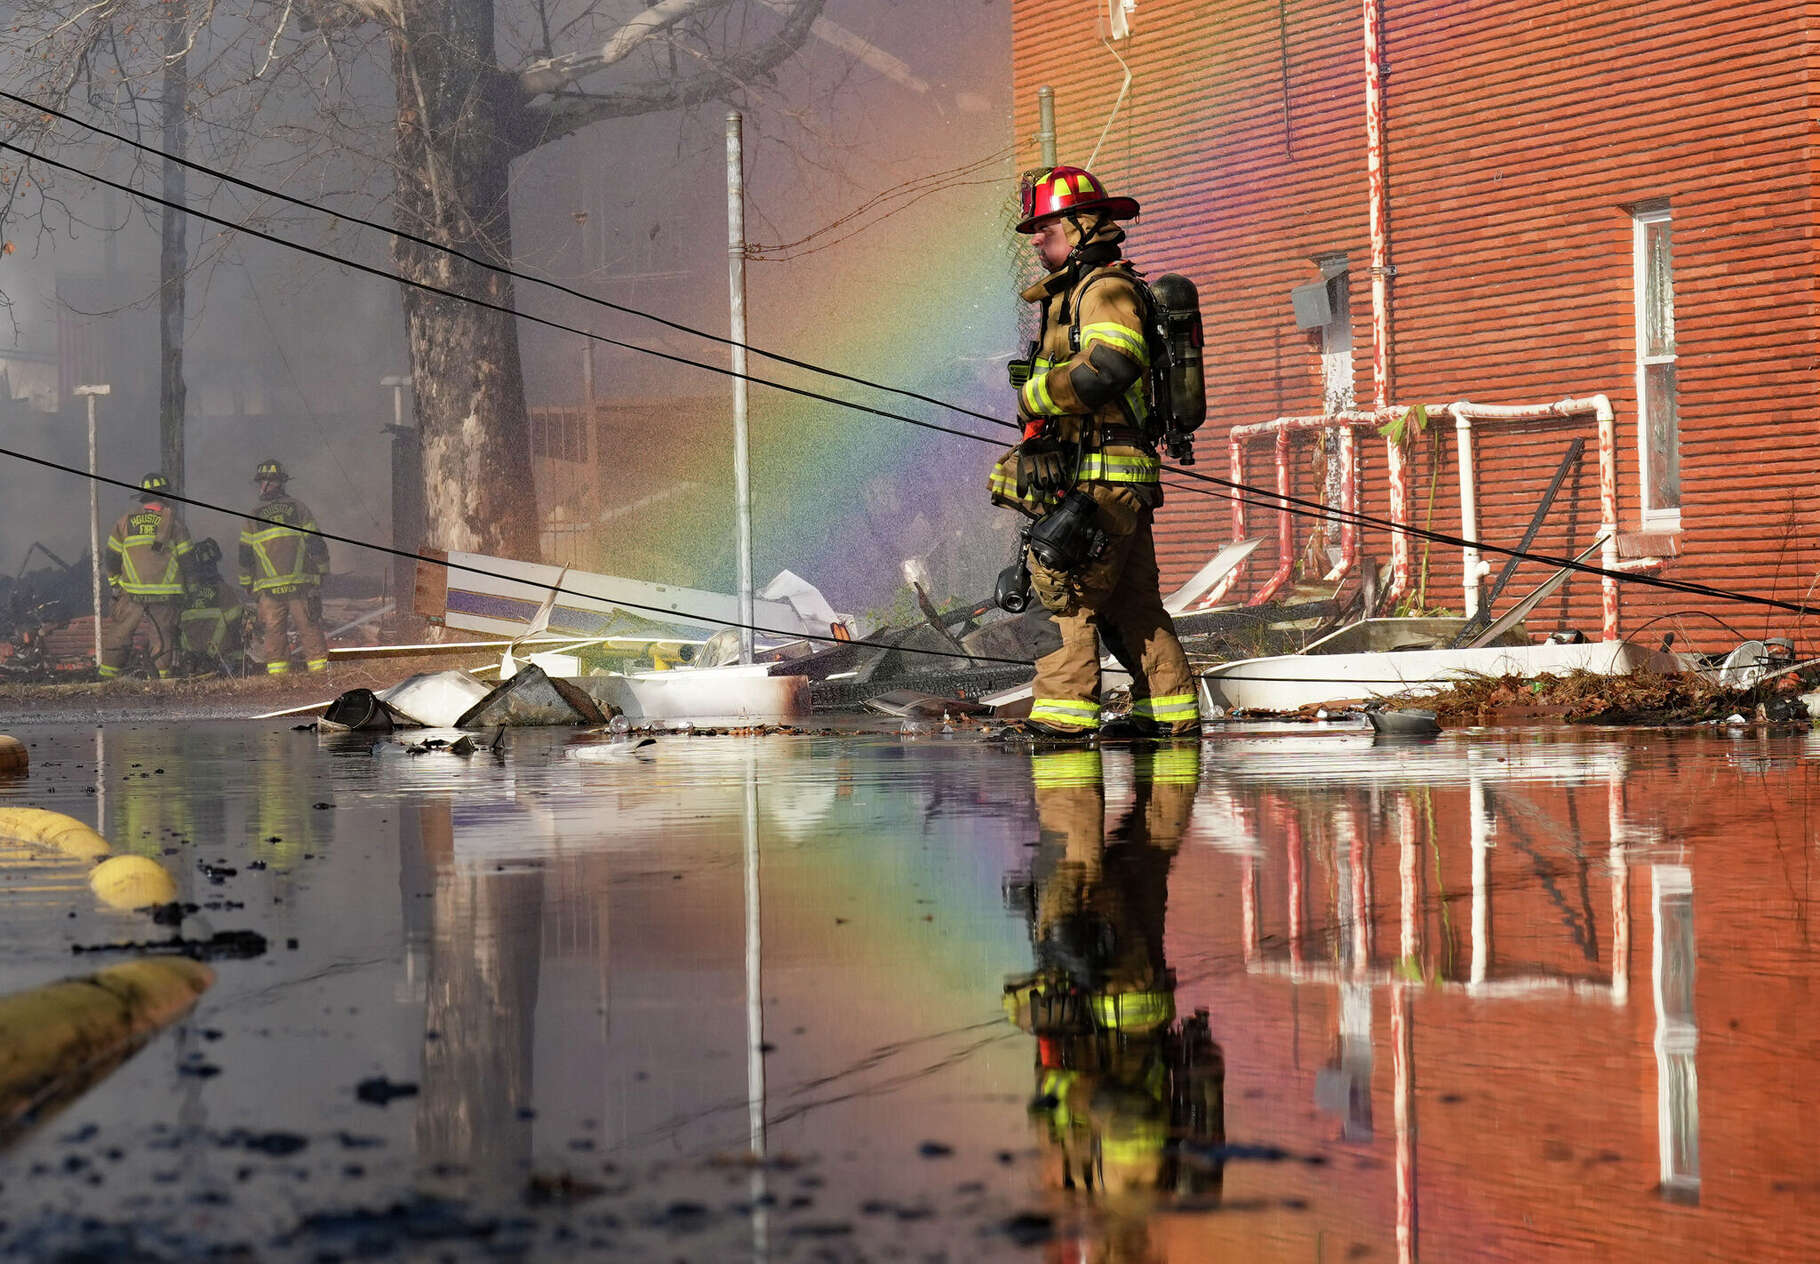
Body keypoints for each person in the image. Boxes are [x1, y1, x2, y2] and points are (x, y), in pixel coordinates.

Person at [989, 165, 1200, 741]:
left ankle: (1061, 721)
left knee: (1061, 600)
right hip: (1111, 478)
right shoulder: (1073, 294)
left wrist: (1035, 395)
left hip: (1099, 479)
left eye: (1047, 226)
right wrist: (1037, 439)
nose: (1036, 239)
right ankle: (1167, 715)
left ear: (1082, 225)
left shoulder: (1104, 291)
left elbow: (1109, 367)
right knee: (1133, 607)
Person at [1001, 746, 1224, 1250]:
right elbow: (1131, 1121)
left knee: (1146, 845)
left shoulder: (1081, 1188)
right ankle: (1072, 748)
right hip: (1118, 994)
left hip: (1085, 1003)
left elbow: (1043, 1075)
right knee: (1078, 851)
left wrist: (1028, 1011)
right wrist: (1070, 1090)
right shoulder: (1136, 1190)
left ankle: (1167, 742)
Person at [239, 459, 330, 675]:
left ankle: (280, 681)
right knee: (309, 631)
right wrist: (323, 570)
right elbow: (316, 542)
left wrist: (246, 583)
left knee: (274, 635)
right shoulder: (298, 508)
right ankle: (320, 678)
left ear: (274, 483)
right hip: (300, 584)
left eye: (264, 482)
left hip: (270, 590)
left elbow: (245, 555)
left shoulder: (253, 516)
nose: (261, 487)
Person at [100, 473, 194, 680]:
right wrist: (191, 589)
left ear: (142, 498)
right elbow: (188, 561)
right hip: (165, 593)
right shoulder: (176, 525)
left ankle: (107, 679)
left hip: (132, 591)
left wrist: (115, 583)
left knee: (119, 634)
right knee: (163, 637)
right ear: (165, 498)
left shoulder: (125, 522)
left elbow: (112, 557)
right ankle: (162, 680)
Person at [178, 537, 246, 675]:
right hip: (219, 655)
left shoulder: (187, 594)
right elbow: (236, 623)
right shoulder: (224, 591)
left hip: (191, 654)